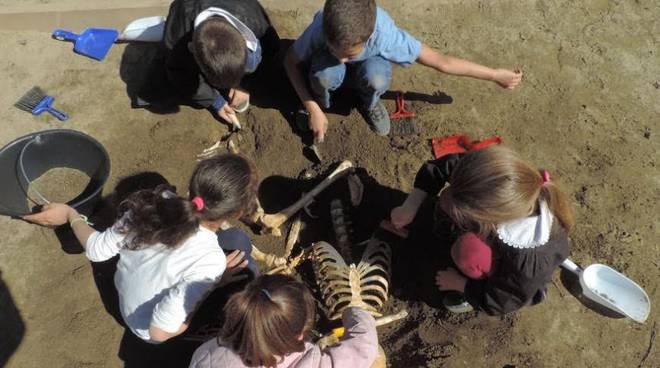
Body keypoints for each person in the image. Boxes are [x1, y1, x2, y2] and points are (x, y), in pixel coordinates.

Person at [24, 154, 259, 343]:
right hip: (146, 327)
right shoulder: (210, 262)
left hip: (126, 294)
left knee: (235, 241)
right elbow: (159, 333)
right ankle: (204, 331)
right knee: (243, 256)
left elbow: (96, 249)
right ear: (237, 213)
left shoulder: (153, 202)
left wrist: (69, 213)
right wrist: (214, 283)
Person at [284, 0, 523, 141]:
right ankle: (322, 103)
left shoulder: (387, 36)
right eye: (337, 51)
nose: (344, 60)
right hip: (325, 72)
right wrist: (311, 106)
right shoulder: (320, 29)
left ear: (369, 38)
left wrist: (494, 75)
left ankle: (369, 103)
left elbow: (441, 61)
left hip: (370, 66)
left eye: (350, 55)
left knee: (376, 77)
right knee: (325, 75)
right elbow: (289, 61)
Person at [390, 146, 573, 315]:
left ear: (487, 217)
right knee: (448, 199)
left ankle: (471, 290)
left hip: (511, 280)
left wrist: (462, 285)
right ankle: (455, 232)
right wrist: (411, 205)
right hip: (496, 233)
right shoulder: (488, 175)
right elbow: (442, 167)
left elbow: (504, 300)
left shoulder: (528, 260)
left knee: (468, 253)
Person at [188, 274, 380, 368]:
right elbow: (364, 346)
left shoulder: (210, 353)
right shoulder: (313, 363)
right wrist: (354, 312)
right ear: (300, 334)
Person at [163, 0, 279, 125]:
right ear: (192, 49)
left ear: (244, 38)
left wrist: (245, 86)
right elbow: (178, 73)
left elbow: (272, 49)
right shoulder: (176, 36)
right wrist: (215, 101)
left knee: (254, 61)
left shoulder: (254, 18)